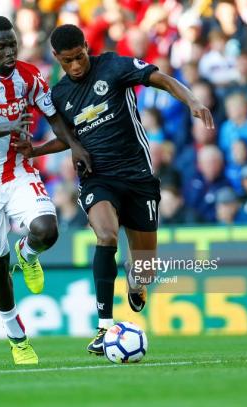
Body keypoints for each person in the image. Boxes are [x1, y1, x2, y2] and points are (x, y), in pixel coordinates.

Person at [14, 24, 213, 355]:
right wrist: (35, 150)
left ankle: (137, 281)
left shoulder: (114, 66)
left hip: (138, 176)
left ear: (86, 47)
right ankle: (104, 327)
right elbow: (67, 138)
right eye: (67, 62)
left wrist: (191, 100)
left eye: (79, 57)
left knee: (145, 268)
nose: (76, 66)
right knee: (106, 236)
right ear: (57, 58)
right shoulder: (60, 94)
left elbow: (160, 78)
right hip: (98, 177)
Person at [0, 17, 89, 365]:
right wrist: (11, 125)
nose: (9, 51)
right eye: (0, 46)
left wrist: (72, 144)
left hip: (17, 171)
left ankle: (27, 253)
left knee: (47, 228)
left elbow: (53, 115)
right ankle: (18, 339)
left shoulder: (30, 76)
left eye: (12, 44)